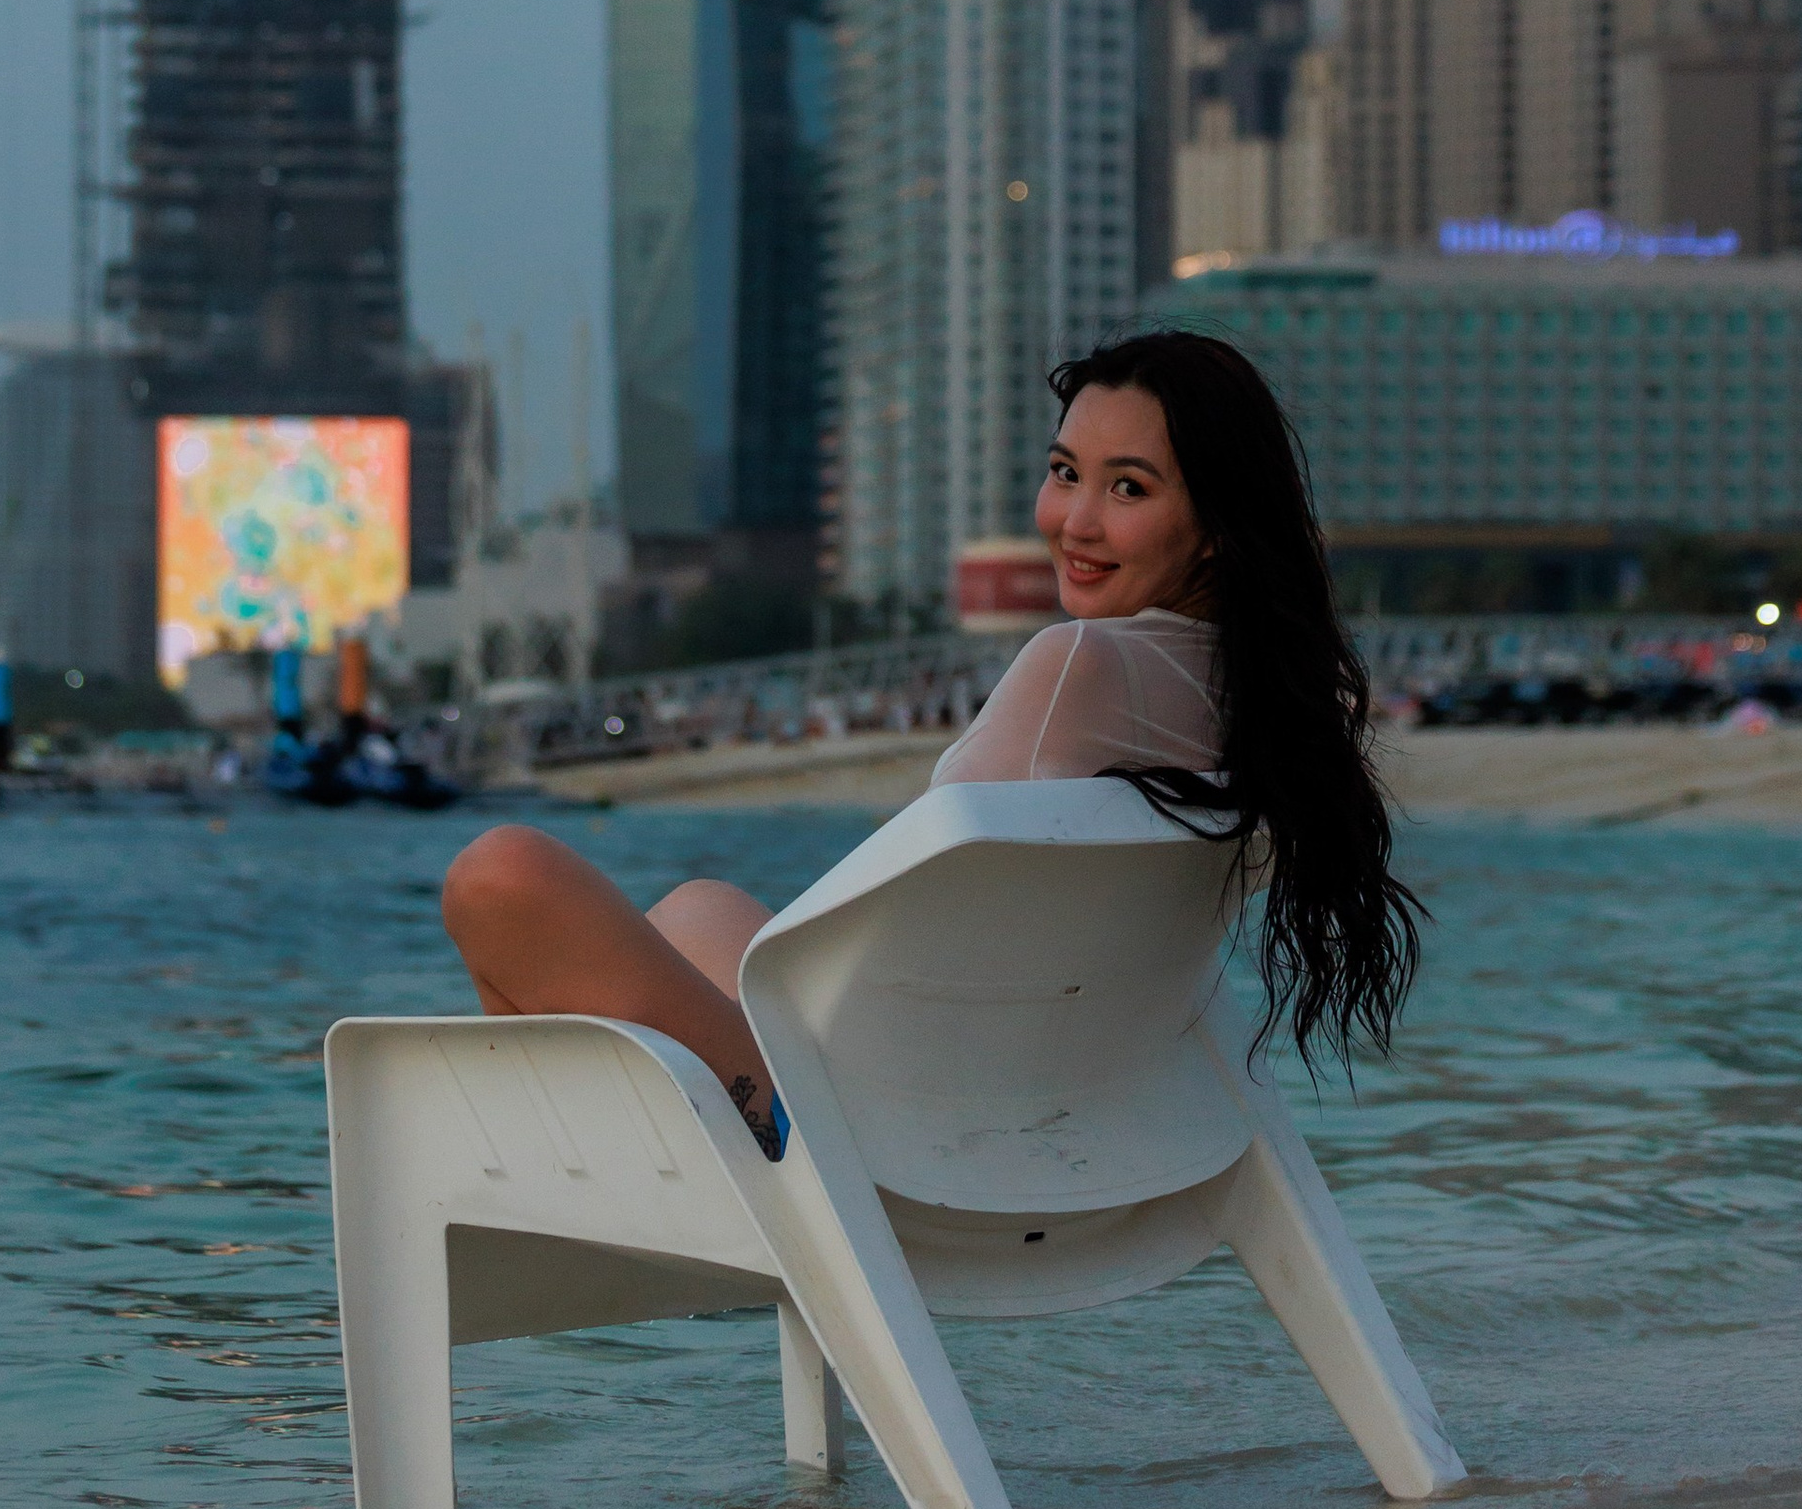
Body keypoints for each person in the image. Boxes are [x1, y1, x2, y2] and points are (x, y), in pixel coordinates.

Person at [438, 329, 1423, 1155]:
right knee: (701, 908)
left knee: (501, 876)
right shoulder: (1257, 699)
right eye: (1063, 472)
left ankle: (589, 1189)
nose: (1073, 521)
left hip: (862, 1127)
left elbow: (904, 910)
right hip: (999, 1104)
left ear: (1211, 525)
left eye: (1128, 490)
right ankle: (598, 1166)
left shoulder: (1079, 663)